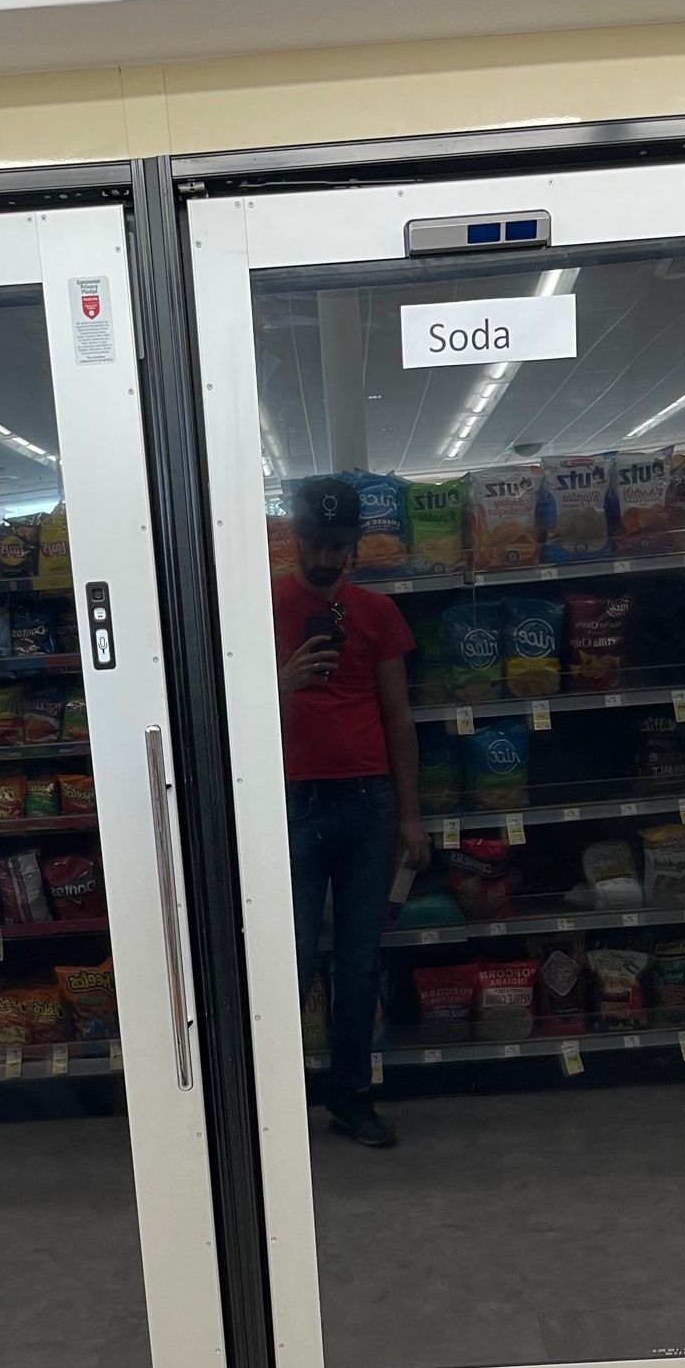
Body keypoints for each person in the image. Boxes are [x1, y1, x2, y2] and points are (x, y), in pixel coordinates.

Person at [274, 476, 429, 1149]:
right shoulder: (258, 609)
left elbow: (399, 719)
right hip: (291, 802)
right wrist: (278, 682)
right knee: (294, 963)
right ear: (294, 537)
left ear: (354, 547)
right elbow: (222, 718)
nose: (325, 558)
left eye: (338, 546)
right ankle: (277, 1103)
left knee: (359, 964)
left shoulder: (377, 614)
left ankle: (351, 1099)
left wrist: (411, 816)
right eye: (315, 542)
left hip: (368, 804)